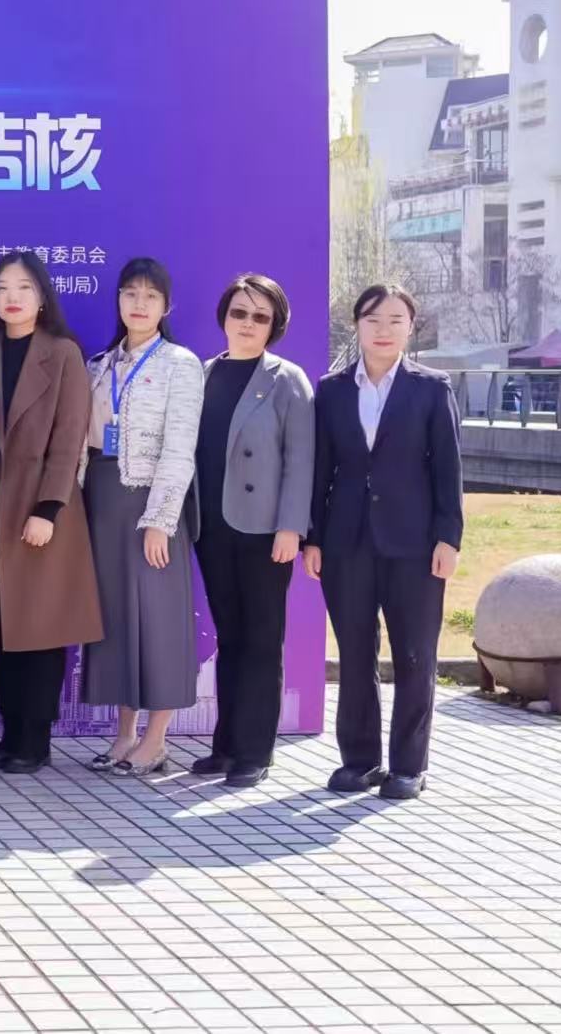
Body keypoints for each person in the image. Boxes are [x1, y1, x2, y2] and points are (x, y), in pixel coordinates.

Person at [306, 284, 462, 801]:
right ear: (357, 325)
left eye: (396, 320)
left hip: (415, 544)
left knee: (415, 653)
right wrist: (313, 538)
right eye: (373, 319)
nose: (383, 330)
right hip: (345, 540)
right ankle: (360, 761)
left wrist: (448, 538)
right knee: (355, 653)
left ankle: (409, 766)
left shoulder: (431, 389)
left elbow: (448, 470)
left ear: (410, 328)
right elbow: (320, 470)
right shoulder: (331, 390)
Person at [0, 250, 102, 774]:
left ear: (42, 296)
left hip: (43, 510)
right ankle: (9, 734)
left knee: (39, 630)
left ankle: (35, 740)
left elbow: (69, 439)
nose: (12, 297)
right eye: (2, 287)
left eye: (24, 287)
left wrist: (48, 508)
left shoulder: (62, 353)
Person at [79, 257, 205, 777]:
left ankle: (156, 740)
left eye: (151, 296)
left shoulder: (181, 364)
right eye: (130, 293)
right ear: (118, 300)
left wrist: (161, 519)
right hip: (101, 499)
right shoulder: (98, 365)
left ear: (166, 306)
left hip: (151, 503)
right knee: (113, 620)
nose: (139, 304)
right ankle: (124, 735)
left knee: (158, 619)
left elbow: (180, 447)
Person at [190, 274, 312, 789]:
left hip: (265, 532)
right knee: (230, 636)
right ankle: (226, 745)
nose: (247, 323)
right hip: (211, 528)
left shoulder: (288, 380)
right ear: (224, 316)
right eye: (239, 312)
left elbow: (301, 462)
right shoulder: (202, 373)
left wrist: (291, 527)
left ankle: (256, 750)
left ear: (274, 325)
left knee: (262, 639)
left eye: (260, 316)